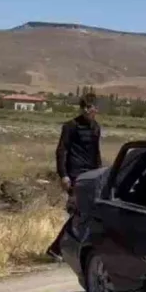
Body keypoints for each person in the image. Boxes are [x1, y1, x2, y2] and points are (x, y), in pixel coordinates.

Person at [48, 93, 102, 258]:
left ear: (95, 109)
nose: (86, 110)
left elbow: (96, 153)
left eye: (89, 107)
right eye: (84, 107)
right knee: (80, 213)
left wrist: (100, 173)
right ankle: (57, 249)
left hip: (91, 175)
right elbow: (61, 151)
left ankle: (68, 249)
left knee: (86, 214)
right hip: (75, 176)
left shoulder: (96, 128)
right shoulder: (70, 126)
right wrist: (63, 175)